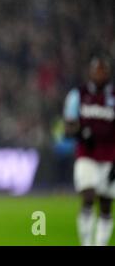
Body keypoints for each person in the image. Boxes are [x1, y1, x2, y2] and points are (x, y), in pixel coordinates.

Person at [63, 55, 115, 246]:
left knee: (106, 204)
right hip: (87, 154)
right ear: (91, 73)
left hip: (111, 156)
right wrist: (80, 133)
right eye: (97, 71)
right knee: (88, 195)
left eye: (103, 71)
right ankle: (86, 242)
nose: (100, 75)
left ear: (108, 74)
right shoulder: (78, 95)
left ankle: (100, 243)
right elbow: (68, 127)